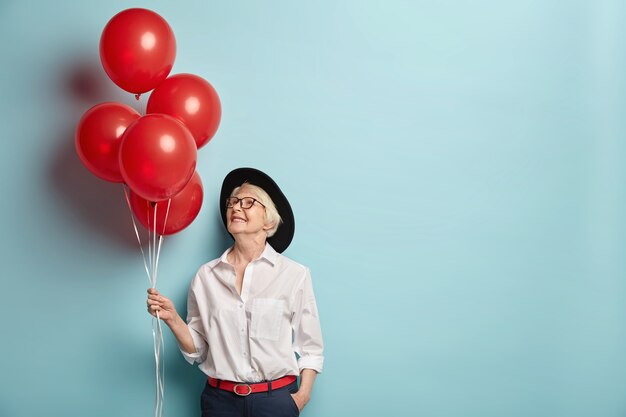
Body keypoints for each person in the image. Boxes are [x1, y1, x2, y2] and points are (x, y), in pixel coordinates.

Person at [146, 167, 324, 417]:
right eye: (233, 202)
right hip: (220, 403)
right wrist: (173, 319)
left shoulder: (294, 275)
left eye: (248, 202)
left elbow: (311, 348)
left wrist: (300, 398)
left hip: (276, 402)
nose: (236, 207)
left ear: (269, 220)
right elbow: (198, 351)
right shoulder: (205, 277)